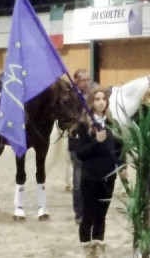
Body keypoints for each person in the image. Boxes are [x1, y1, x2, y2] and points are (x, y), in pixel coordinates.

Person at [69, 86, 127, 256]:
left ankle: (99, 246)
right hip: (90, 176)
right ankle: (87, 249)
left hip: (108, 177)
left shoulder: (111, 124)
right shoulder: (82, 126)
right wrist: (96, 141)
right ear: (91, 103)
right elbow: (80, 154)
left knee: (102, 215)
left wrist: (122, 165)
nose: (101, 102)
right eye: (97, 99)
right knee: (89, 215)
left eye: (103, 99)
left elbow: (119, 148)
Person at [69, 69, 92, 224]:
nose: (86, 83)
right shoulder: (70, 98)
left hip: (90, 141)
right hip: (77, 141)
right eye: (83, 80)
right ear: (76, 80)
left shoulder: (91, 97)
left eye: (88, 80)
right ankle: (79, 212)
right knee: (78, 179)